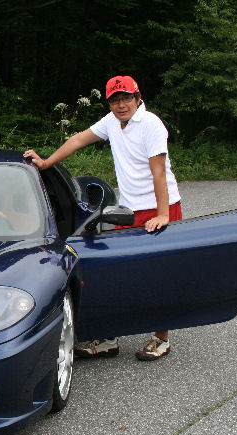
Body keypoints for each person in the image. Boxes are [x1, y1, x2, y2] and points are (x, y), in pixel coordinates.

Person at [24, 75, 182, 361]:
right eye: (115, 100)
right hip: (129, 209)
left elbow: (158, 171)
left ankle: (161, 338)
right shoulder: (111, 122)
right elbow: (78, 139)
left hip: (158, 206)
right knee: (119, 273)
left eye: (126, 98)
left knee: (158, 274)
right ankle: (110, 338)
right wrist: (46, 163)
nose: (121, 105)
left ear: (138, 98)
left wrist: (163, 214)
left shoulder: (151, 124)